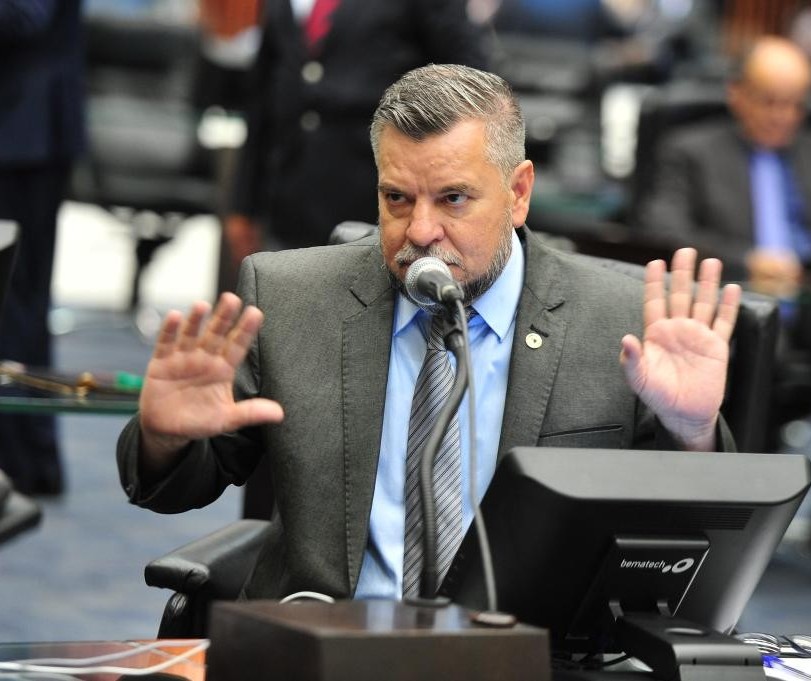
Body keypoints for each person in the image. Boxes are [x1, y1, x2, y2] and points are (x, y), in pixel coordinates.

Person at [118, 64, 741, 602]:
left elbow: (692, 550)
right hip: (328, 647)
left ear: (519, 192)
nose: (419, 232)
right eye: (396, 198)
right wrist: (163, 439)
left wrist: (692, 433)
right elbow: (181, 486)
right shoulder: (289, 298)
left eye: (453, 199)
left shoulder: (620, 320)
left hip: (525, 655)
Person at [222, 0, 489, 286]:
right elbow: (263, 99)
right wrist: (243, 204)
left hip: (379, 212)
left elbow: (469, 88)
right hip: (288, 205)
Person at [638, 35, 811, 297]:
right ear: (736, 93)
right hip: (727, 300)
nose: (782, 116)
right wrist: (745, 261)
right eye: (769, 101)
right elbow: (662, 233)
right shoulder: (690, 151)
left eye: (794, 104)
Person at [0, 1, 86, 495]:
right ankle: (26, 460)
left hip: (24, 131)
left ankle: (23, 463)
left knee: (15, 300)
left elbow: (26, 15)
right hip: (19, 127)